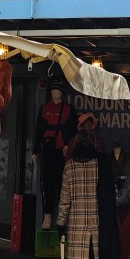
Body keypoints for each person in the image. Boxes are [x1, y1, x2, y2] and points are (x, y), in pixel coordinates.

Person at [56, 119, 118, 259]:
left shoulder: (69, 167)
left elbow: (65, 200)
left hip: (76, 226)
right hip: (95, 225)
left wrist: (60, 224)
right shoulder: (99, 165)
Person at [32, 80, 77, 230]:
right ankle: (47, 215)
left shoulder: (68, 109)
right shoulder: (44, 108)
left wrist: (69, 144)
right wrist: (35, 150)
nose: (55, 92)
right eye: (53, 90)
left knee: (62, 183)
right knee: (46, 183)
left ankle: (61, 216)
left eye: (57, 90)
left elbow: (73, 129)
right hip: (47, 149)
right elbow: (38, 130)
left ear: (61, 92)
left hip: (62, 151)